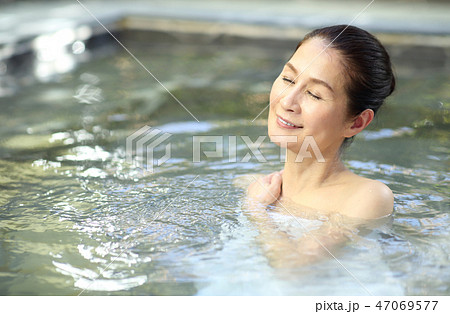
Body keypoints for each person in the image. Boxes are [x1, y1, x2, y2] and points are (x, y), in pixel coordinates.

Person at [241, 25, 396, 268]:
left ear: (356, 122)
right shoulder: (256, 186)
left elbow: (295, 270)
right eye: (288, 79)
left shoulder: (367, 197)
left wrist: (258, 213)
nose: (288, 101)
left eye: (314, 94)